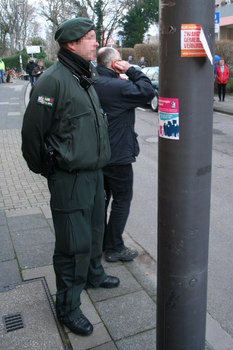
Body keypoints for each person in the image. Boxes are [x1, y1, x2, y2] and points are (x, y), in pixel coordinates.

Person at [21, 17, 120, 336]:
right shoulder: (52, 81)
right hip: (70, 179)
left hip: (93, 175)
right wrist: (49, 169)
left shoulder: (82, 76)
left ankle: (93, 273)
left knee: (93, 231)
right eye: (90, 38)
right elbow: (32, 134)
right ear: (72, 44)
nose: (96, 43)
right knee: (72, 244)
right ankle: (68, 306)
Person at [94, 47, 155, 263]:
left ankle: (100, 242)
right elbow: (148, 91)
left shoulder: (93, 83)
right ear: (115, 63)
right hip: (118, 155)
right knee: (122, 199)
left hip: (98, 154)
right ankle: (114, 247)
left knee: (102, 200)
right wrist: (131, 70)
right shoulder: (119, 86)